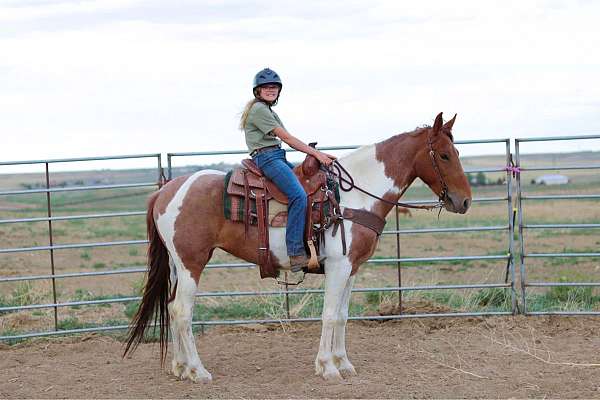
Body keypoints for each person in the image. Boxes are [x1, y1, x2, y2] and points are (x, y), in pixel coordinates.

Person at [240, 68, 336, 271]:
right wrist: (317, 154)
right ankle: (295, 252)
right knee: (299, 195)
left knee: (312, 185)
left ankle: (314, 240)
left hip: (276, 156)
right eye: (265, 87)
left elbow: (287, 138)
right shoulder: (258, 109)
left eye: (274, 87)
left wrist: (317, 155)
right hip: (267, 158)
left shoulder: (268, 111)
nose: (270, 90)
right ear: (257, 91)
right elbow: (288, 139)